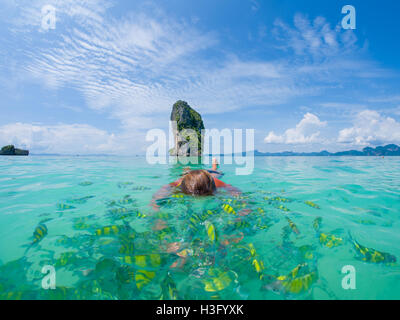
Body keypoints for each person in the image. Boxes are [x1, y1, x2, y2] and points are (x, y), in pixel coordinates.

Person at [151, 158, 241, 211]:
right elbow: (157, 197)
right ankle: (186, 171)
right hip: (188, 178)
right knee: (185, 175)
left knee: (216, 172)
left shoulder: (215, 182)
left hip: (210, 175)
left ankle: (214, 166)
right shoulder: (178, 184)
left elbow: (236, 192)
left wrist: (243, 211)